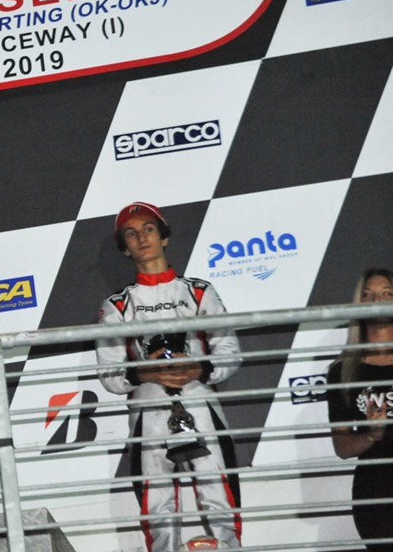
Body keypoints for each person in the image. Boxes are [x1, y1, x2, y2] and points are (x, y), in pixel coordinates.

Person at [95, 201, 242, 552]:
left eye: (148, 229)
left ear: (164, 237)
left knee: (221, 500)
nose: (141, 237)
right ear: (124, 248)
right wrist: (145, 372)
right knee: (157, 510)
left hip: (200, 402)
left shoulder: (199, 291)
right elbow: (109, 374)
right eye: (131, 233)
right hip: (149, 412)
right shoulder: (117, 305)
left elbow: (229, 350)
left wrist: (199, 368)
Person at [326, 268, 392, 551]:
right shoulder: (343, 372)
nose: (377, 300)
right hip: (376, 494)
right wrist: (370, 435)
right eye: (368, 295)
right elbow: (341, 447)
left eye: (386, 293)